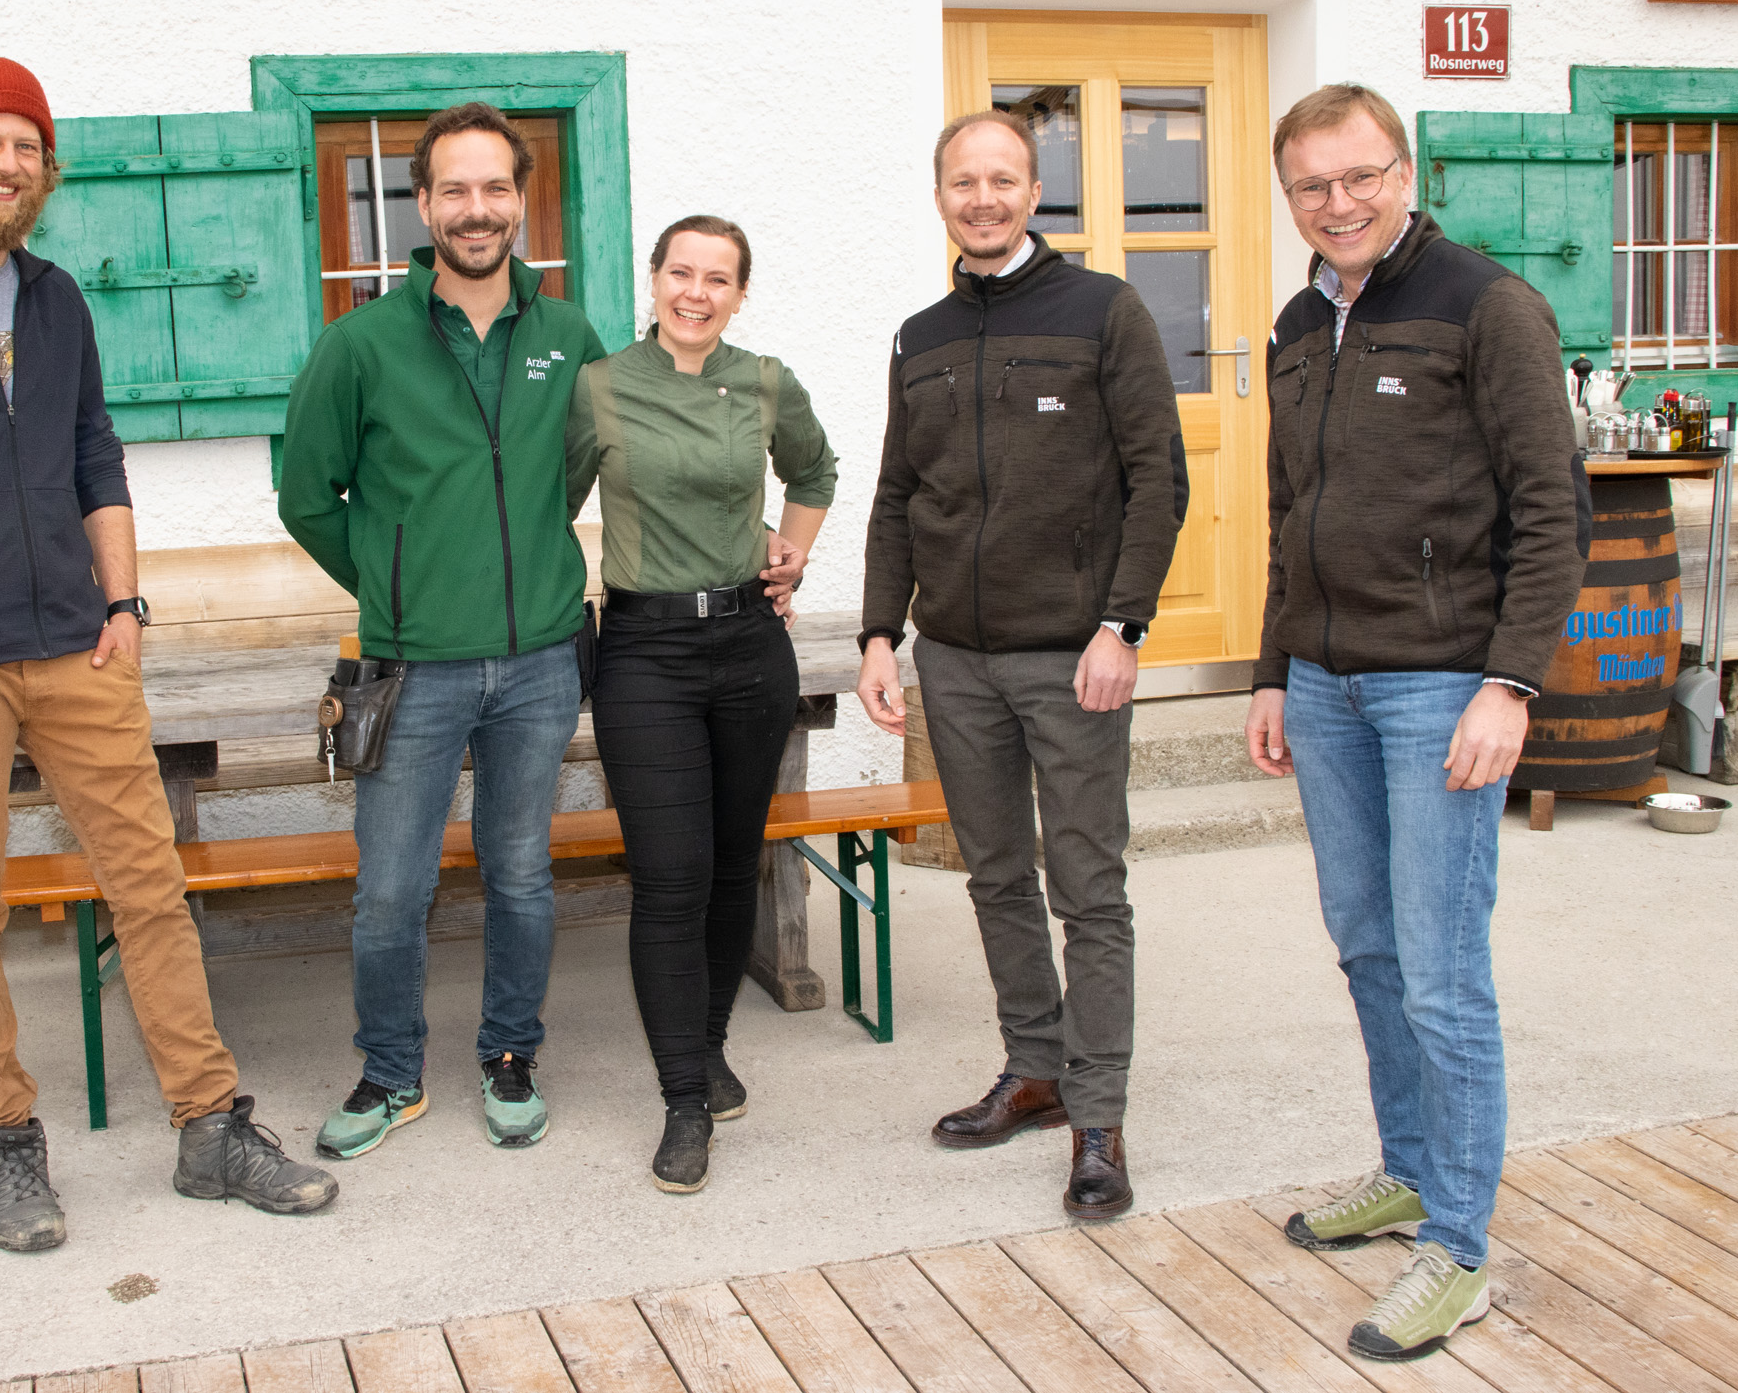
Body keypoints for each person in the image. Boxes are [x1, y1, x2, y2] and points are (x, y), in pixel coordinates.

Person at [0, 56, 336, 1253]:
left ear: (48, 169)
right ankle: (7, 1141)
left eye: (26, 146)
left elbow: (98, 455)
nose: (7, 164)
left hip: (78, 651)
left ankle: (210, 1126)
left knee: (150, 884)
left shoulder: (55, 300)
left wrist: (127, 604)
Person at [1246, 84, 1586, 1361]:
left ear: (1404, 169)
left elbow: (1554, 512)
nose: (1338, 203)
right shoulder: (1296, 322)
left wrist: (1512, 682)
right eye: (1311, 187)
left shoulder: (1487, 307)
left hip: (1441, 685)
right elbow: (1292, 512)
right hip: (1326, 685)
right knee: (1367, 943)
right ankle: (1405, 1171)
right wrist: (1274, 669)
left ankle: (1459, 1245)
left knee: (1444, 976)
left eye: (1359, 176)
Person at [856, 110, 1187, 1221]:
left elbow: (1158, 479)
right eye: (964, 181)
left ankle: (1099, 1115)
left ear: (1034, 190)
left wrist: (1122, 626)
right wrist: (877, 634)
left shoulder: (1105, 311)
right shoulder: (921, 335)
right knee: (995, 875)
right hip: (955, 659)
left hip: (1072, 658)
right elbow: (899, 496)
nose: (983, 198)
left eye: (1003, 179)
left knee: (1087, 887)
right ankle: (1034, 1068)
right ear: (940, 194)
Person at [279, 102, 607, 1159]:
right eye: (455, 190)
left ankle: (511, 1052)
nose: (478, 209)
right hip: (412, 671)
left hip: (542, 663)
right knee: (391, 888)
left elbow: (580, 467)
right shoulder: (360, 343)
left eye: (496, 187)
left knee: (520, 873)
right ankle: (389, 1073)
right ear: (422, 206)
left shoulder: (568, 335)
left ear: (522, 199)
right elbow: (306, 496)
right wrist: (397, 582)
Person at [565, 215, 837, 1194]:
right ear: (653, 279)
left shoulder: (764, 382)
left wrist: (790, 545)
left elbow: (815, 469)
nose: (696, 291)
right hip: (644, 650)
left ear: (739, 293)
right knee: (669, 875)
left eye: (717, 278)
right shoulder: (599, 386)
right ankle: (684, 1096)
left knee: (731, 868)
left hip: (751, 650)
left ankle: (710, 1043)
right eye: (681, 272)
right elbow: (547, 506)